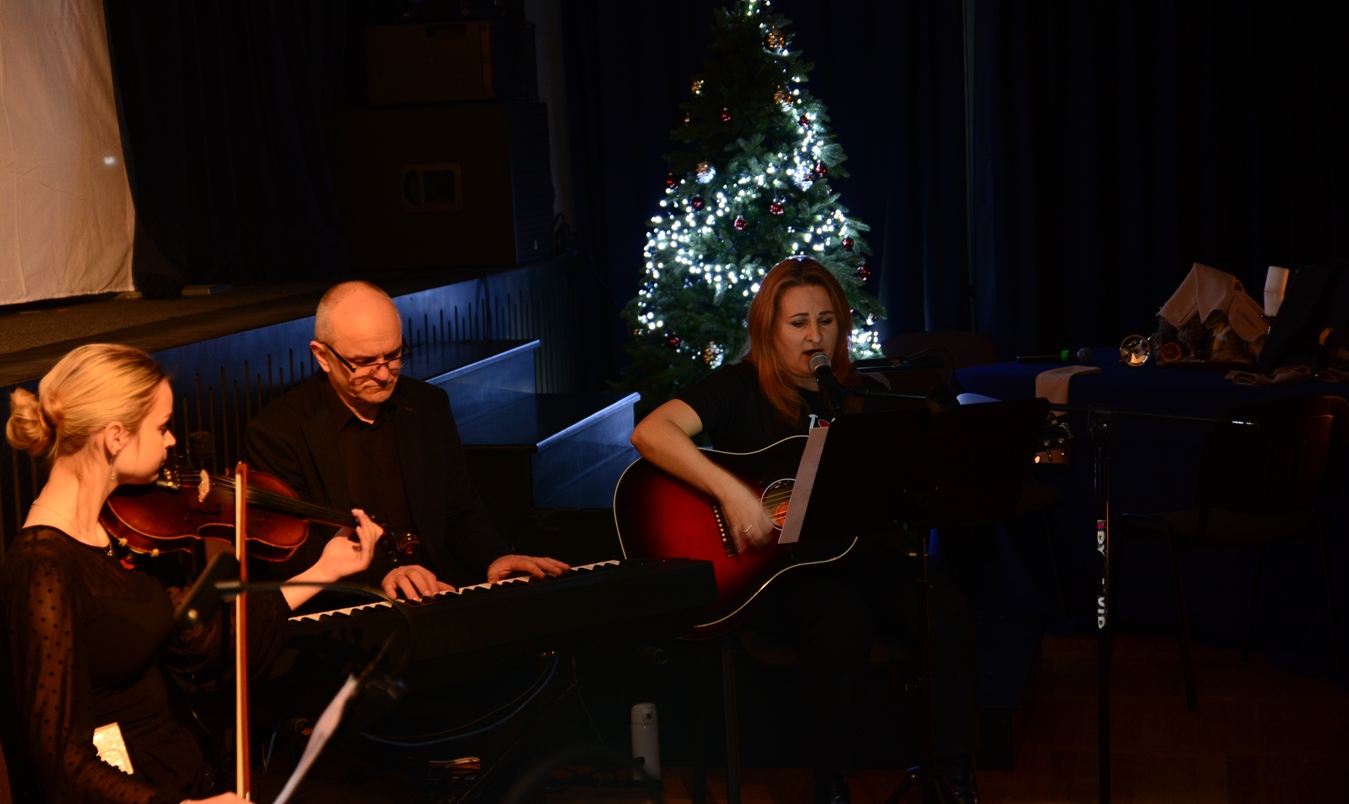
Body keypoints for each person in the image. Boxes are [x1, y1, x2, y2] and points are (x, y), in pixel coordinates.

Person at [629, 256, 978, 804]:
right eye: (798, 323)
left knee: (945, 607)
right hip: (775, 575)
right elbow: (652, 432)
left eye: (826, 321)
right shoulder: (738, 387)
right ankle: (832, 784)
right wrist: (734, 494)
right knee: (840, 619)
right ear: (768, 329)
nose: (815, 336)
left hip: (856, 559)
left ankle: (952, 772)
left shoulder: (864, 393)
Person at [0, 343, 384, 804]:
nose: (171, 442)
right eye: (162, 427)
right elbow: (62, 765)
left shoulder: (120, 530)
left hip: (189, 771)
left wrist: (324, 571)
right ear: (116, 436)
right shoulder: (41, 568)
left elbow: (202, 649)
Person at [244, 281, 568, 603]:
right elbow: (297, 550)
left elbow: (459, 511)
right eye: (365, 362)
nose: (384, 374)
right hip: (343, 609)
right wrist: (384, 577)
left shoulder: (428, 405)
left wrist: (495, 557)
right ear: (323, 356)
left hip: (433, 599)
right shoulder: (277, 431)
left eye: (393, 356)